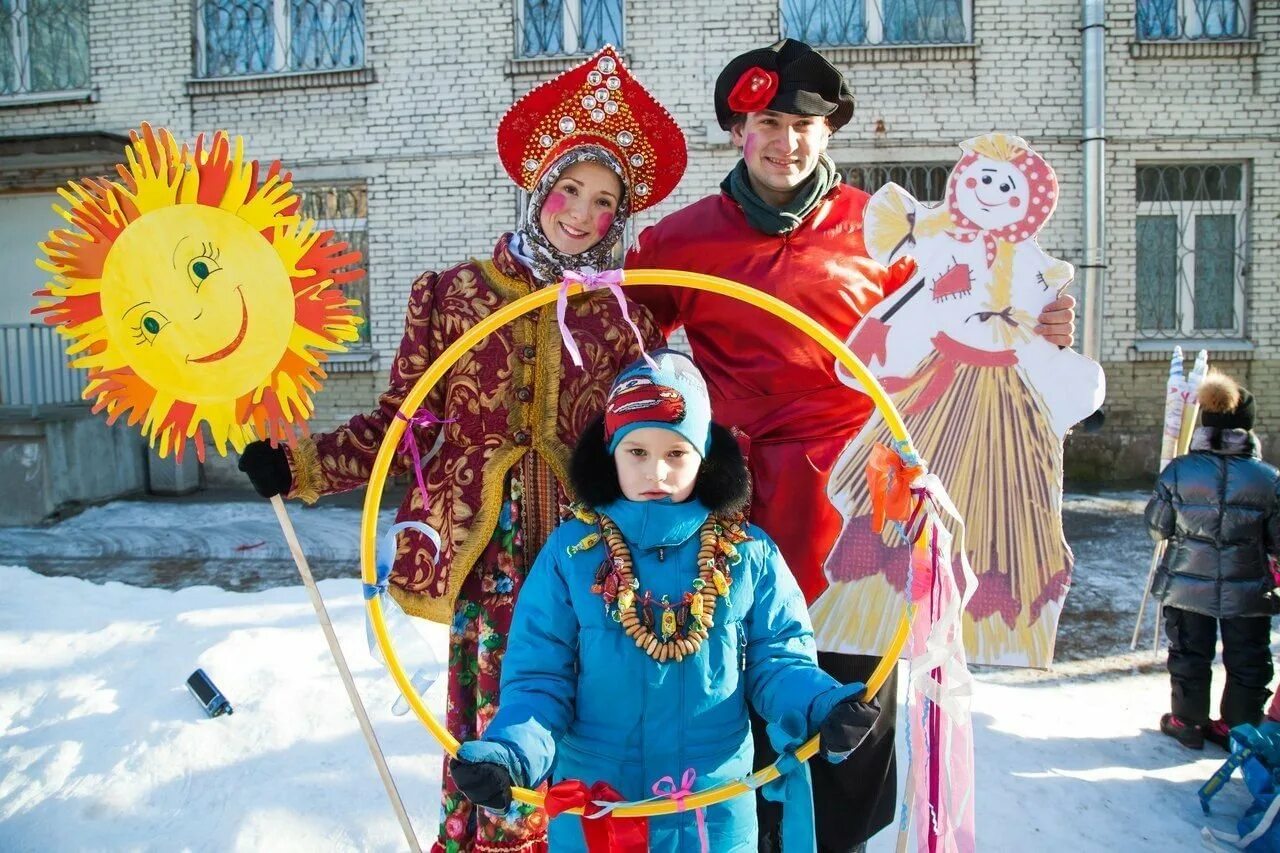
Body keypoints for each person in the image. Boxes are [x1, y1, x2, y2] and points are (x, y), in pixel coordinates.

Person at [624, 38, 1076, 851]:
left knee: (849, 705)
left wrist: (1035, 329)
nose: (784, 140)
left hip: (856, 507)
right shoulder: (680, 241)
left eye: (803, 123)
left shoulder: (890, 234)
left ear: (829, 131)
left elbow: (959, 332)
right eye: (766, 120)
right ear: (737, 129)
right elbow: (623, 356)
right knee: (731, 693)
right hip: (731, 512)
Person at [238, 46, 686, 853]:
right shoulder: (455, 295)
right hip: (492, 563)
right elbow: (397, 429)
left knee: (587, 730)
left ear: (620, 218)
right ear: (539, 186)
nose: (582, 215)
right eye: (570, 190)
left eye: (603, 203)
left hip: (589, 563)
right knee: (499, 731)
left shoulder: (628, 322)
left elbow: (659, 444)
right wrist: (300, 466)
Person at [448, 350, 880, 852]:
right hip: (601, 812)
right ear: (611, 453)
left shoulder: (748, 554)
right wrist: (510, 752)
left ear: (703, 456)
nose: (657, 471)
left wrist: (819, 704)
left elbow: (779, 660)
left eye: (676, 454)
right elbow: (540, 680)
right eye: (637, 452)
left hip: (713, 813)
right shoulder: (571, 556)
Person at [1148, 372, 1280, 751]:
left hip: (1187, 582)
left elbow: (1157, 527)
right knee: (1248, 657)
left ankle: (1187, 722)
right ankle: (1238, 728)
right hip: (1248, 585)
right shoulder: (1268, 479)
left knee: (1189, 651)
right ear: (1248, 427)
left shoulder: (1178, 470)